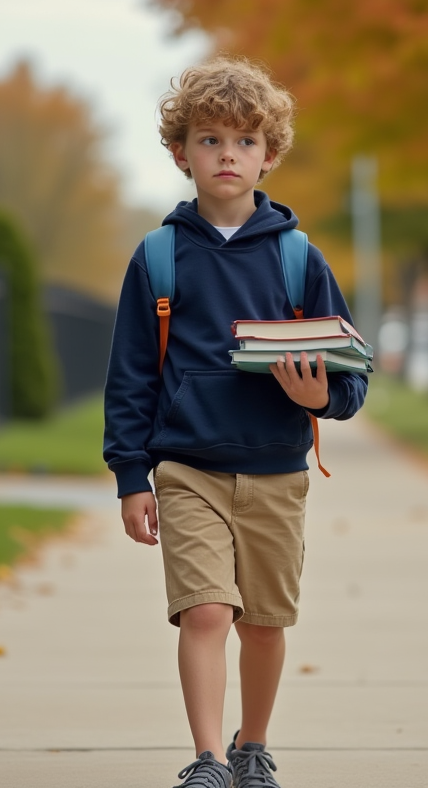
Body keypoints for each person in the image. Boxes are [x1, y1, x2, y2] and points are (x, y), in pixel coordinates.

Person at [103, 56, 368, 788]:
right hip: (187, 467)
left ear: (269, 155)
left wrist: (318, 399)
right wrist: (132, 475)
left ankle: (254, 747)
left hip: (276, 470)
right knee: (207, 612)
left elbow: (350, 376)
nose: (227, 155)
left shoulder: (297, 257)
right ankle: (209, 758)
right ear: (180, 151)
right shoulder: (157, 258)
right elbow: (130, 375)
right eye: (210, 139)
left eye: (244, 142)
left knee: (264, 623)